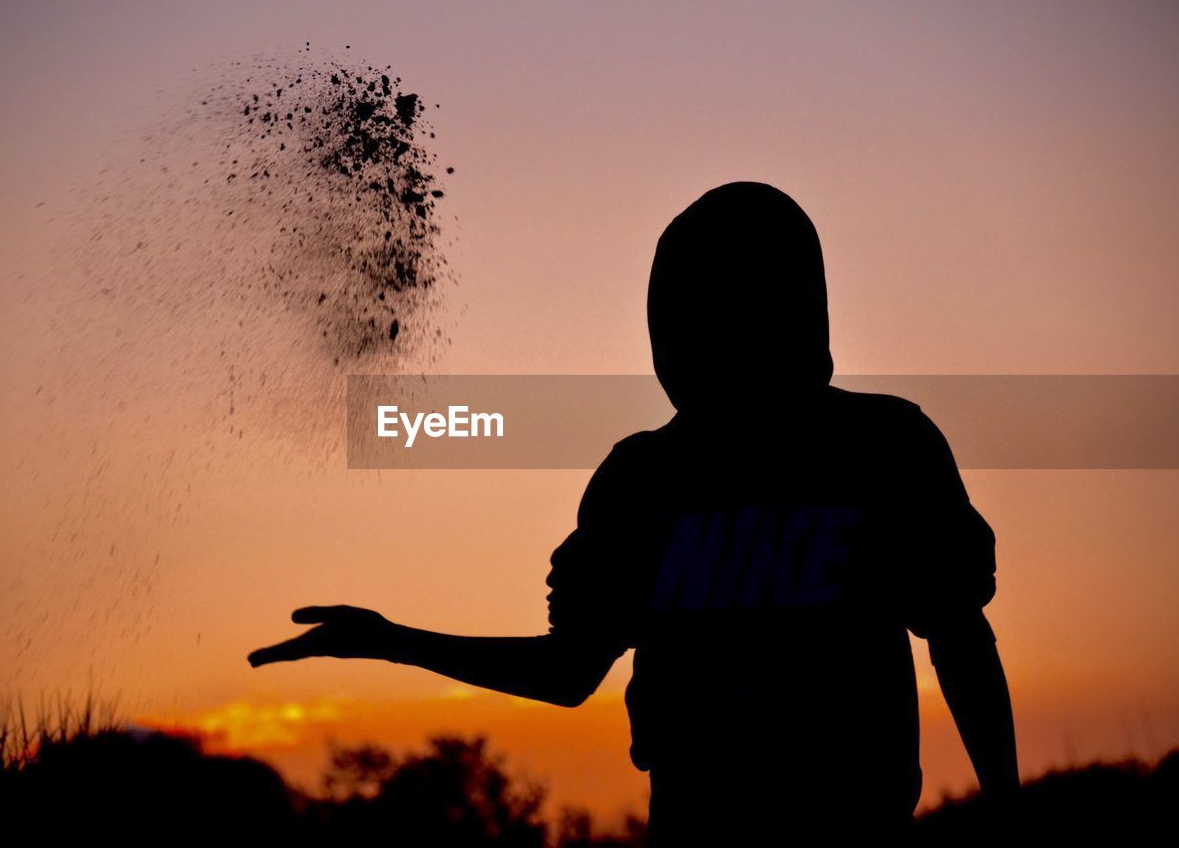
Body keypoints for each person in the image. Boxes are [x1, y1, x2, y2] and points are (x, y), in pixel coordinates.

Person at [249, 182, 1020, 844]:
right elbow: (571, 667)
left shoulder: (877, 446)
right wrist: (391, 642)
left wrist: (1009, 813)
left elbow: (959, 636)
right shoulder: (653, 474)